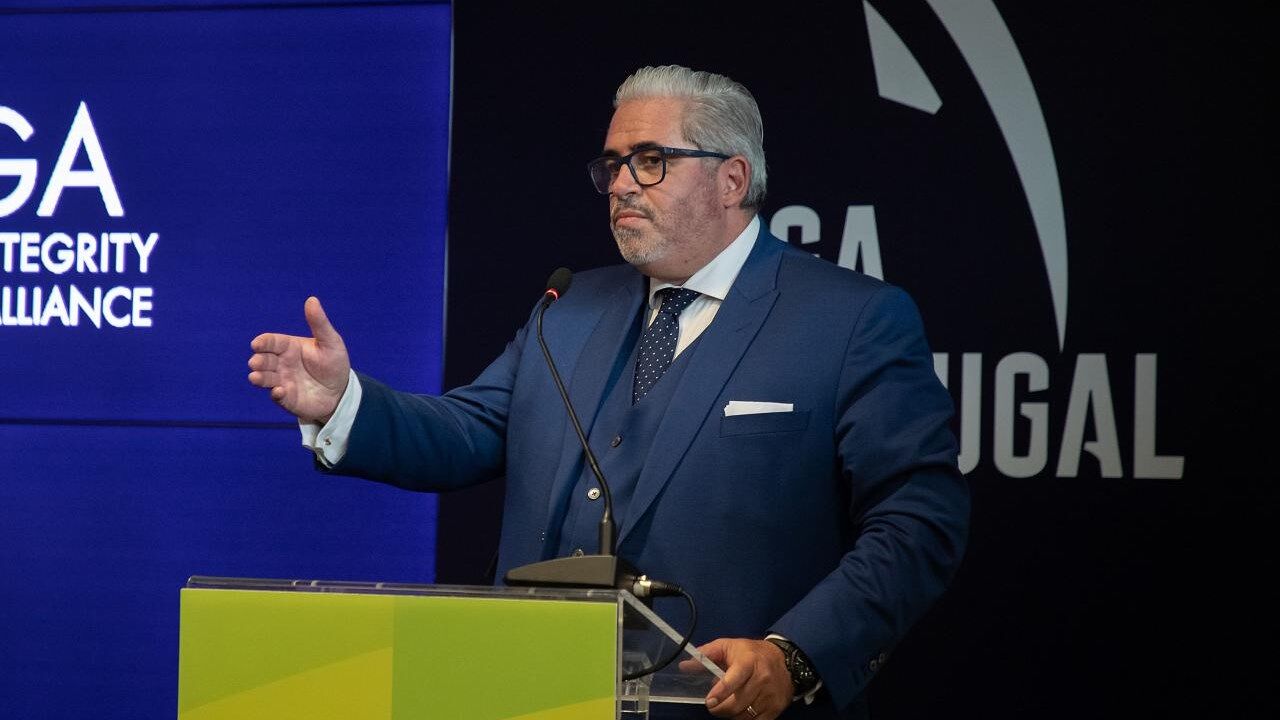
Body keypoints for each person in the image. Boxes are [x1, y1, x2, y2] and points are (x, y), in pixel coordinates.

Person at [248, 65, 968, 720]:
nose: (621, 183)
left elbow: (918, 523)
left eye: (651, 160)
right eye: (613, 164)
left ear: (732, 179)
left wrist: (795, 654)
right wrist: (343, 403)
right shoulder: (568, 309)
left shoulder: (850, 321)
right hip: (540, 698)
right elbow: (469, 430)